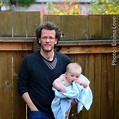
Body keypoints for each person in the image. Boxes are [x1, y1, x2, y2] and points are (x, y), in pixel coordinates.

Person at [17, 21, 72, 119]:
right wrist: (34, 110)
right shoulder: (29, 61)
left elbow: (75, 84)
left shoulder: (65, 61)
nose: (47, 41)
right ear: (39, 40)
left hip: (60, 113)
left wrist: (69, 105)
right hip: (38, 114)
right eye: (44, 37)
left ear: (56, 40)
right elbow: (22, 87)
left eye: (51, 38)